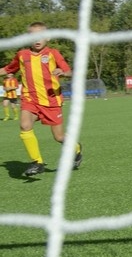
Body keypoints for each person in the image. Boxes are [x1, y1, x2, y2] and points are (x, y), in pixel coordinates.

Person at [3, 22, 83, 177]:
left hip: (51, 101)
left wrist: (63, 73)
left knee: (59, 137)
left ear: (48, 38)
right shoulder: (22, 55)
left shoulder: (53, 54)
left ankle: (76, 148)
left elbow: (69, 71)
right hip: (30, 99)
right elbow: (7, 69)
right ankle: (37, 162)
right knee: (25, 125)